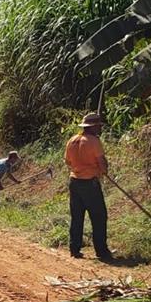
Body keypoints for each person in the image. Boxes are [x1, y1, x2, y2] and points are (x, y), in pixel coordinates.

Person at [65, 112, 114, 262]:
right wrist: (103, 170)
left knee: (77, 217)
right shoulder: (94, 141)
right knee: (99, 216)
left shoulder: (72, 140)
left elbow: (67, 161)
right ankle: (101, 251)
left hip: (74, 182)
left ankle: (74, 249)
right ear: (93, 127)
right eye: (98, 126)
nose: (100, 128)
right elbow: (102, 162)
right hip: (89, 183)